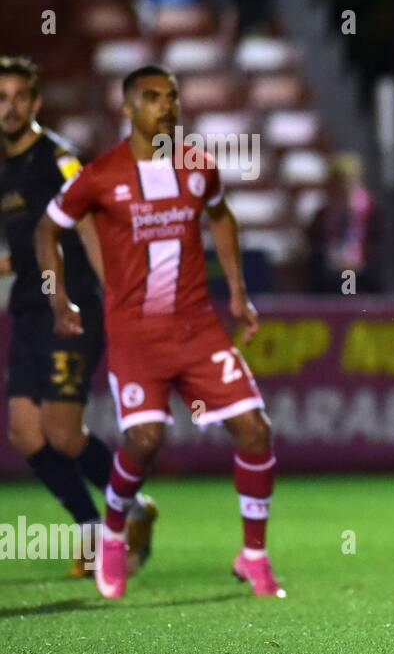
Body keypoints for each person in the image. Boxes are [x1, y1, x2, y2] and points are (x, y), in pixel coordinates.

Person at [35, 64, 282, 599]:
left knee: (256, 430)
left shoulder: (197, 168)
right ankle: (116, 532)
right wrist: (58, 296)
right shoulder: (100, 175)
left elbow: (220, 216)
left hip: (197, 330)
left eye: (171, 96)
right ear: (127, 109)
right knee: (146, 442)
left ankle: (253, 555)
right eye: (151, 97)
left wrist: (238, 292)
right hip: (135, 336)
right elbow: (47, 228)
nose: (165, 106)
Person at [0, 56, 156, 576]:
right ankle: (99, 527)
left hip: (74, 307)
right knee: (26, 434)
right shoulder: (4, 167)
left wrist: (113, 292)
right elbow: (25, 245)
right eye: (2, 98)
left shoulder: (59, 158)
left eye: (20, 97)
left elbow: (88, 223)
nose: (10, 107)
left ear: (36, 103)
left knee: (64, 433)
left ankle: (127, 511)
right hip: (27, 305)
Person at [307, 152, 377, 293]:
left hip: (363, 275)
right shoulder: (321, 216)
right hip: (330, 276)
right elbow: (315, 248)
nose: (344, 185)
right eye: (339, 180)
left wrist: (357, 261)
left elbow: (379, 247)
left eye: (349, 179)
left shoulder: (372, 212)